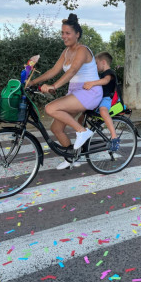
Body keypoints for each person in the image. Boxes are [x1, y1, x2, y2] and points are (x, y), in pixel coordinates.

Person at [28, 14, 103, 170]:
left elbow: (73, 70)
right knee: (55, 128)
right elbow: (53, 70)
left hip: (89, 92)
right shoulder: (66, 52)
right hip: (75, 93)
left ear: (77, 34)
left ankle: (82, 131)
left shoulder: (82, 50)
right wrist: (32, 82)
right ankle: (71, 158)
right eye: (62, 33)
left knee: (51, 108)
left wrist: (54, 86)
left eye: (68, 33)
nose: (64, 36)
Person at [81, 52, 120, 152]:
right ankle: (86, 135)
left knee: (103, 111)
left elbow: (106, 81)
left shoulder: (109, 72)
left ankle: (114, 137)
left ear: (103, 62)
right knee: (81, 116)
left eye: (96, 63)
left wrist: (92, 83)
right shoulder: (100, 74)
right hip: (98, 99)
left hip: (107, 99)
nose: (95, 65)